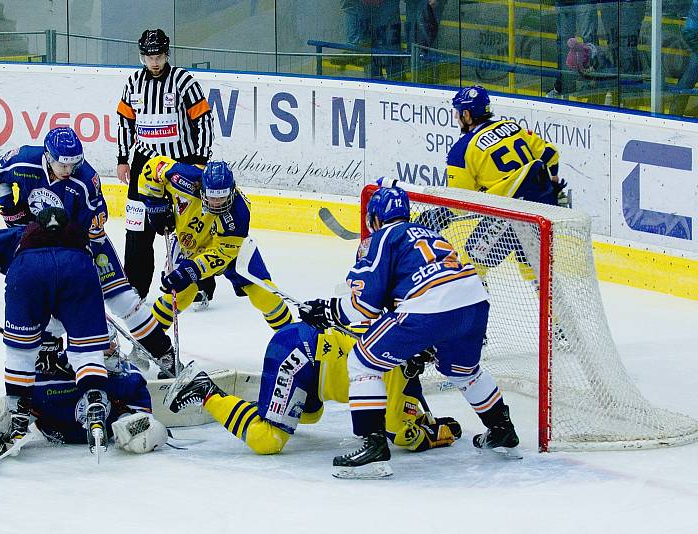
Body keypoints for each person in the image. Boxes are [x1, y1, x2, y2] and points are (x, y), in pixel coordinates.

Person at [299, 186, 520, 478]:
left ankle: (373, 444)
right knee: (464, 371)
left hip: (431, 306)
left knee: (362, 362)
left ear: (374, 218)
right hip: (473, 301)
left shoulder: (381, 239)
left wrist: (326, 310)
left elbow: (363, 306)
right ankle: (502, 430)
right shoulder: (428, 233)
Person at [0, 127, 178, 376]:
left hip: (83, 243)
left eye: (73, 164)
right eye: (62, 165)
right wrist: (9, 209)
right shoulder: (23, 160)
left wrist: (81, 272)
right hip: (39, 246)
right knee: (44, 300)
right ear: (48, 156)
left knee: (124, 300)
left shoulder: (86, 179)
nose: (68, 170)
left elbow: (93, 233)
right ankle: (49, 358)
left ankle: (164, 353)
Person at [0, 208, 112, 455]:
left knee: (20, 353)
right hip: (79, 269)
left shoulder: (18, 235)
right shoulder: (83, 238)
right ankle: (95, 403)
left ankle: (18, 417)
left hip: (28, 271)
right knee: (86, 352)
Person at [167, 321, 461, 459]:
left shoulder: (401, 337)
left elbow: (400, 408)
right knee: (267, 440)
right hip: (298, 354)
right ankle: (205, 390)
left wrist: (424, 421)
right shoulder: (402, 368)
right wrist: (432, 436)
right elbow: (398, 432)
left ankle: (268, 406)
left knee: (310, 415)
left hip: (308, 359)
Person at [137, 157, 294, 341]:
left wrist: (192, 270)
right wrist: (155, 205)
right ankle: (147, 344)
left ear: (232, 190)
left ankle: (295, 341)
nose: (216, 202)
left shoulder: (240, 212)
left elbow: (223, 253)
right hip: (190, 243)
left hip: (229, 249)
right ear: (202, 189)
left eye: (221, 197)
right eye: (212, 196)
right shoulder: (184, 178)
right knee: (181, 295)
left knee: (264, 293)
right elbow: (153, 168)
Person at [116, 28, 216, 307]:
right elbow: (126, 122)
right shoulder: (133, 82)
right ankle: (136, 286)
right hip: (143, 165)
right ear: (142, 57)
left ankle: (199, 285)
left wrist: (199, 161)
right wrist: (123, 159)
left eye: (159, 56)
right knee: (137, 229)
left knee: (189, 226)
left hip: (180, 165)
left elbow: (204, 121)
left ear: (166, 54)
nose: (155, 62)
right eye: (149, 57)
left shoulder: (184, 81)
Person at [0, 340, 167, 458]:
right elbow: (24, 401)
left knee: (152, 435)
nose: (113, 353)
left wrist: (130, 422)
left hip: (102, 441)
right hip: (55, 433)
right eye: (105, 348)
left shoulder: (127, 377)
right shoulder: (42, 381)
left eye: (112, 347)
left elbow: (141, 415)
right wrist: (14, 419)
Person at [445, 85, 567, 285]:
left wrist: (440, 215)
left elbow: (458, 204)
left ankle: (472, 313)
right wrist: (552, 178)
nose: (457, 117)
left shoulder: (461, 150)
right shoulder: (511, 127)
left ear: (466, 114)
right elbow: (551, 153)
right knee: (533, 269)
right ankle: (556, 317)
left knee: (472, 264)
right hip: (542, 203)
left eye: (458, 112)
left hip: (510, 210)